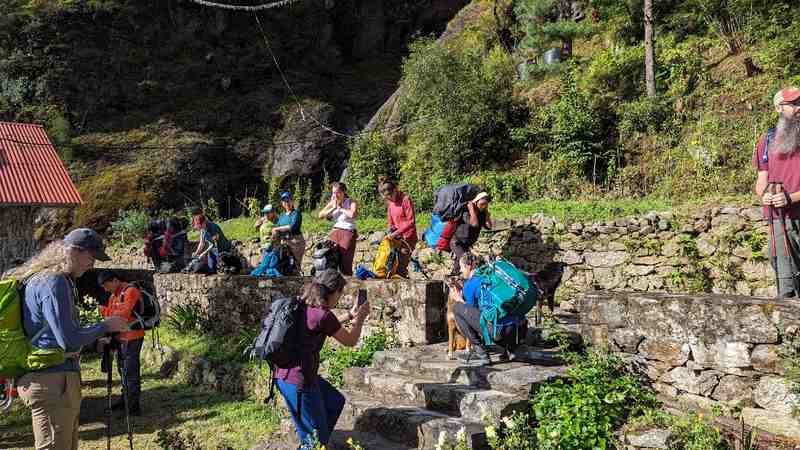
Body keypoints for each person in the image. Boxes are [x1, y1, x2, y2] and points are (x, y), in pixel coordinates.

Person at [6, 228, 128, 450]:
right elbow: (68, 339)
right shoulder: (55, 283)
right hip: (54, 382)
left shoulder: (41, 278)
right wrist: (105, 326)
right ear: (72, 251)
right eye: (91, 257)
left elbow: (55, 333)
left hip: (50, 379)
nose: (92, 264)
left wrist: (93, 342)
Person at [275, 269, 370, 448]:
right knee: (314, 440)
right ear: (333, 292)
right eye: (340, 295)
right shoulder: (322, 314)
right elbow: (350, 341)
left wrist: (350, 315)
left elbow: (322, 326)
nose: (339, 300)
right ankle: (316, 443)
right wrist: (361, 319)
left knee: (335, 402)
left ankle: (320, 439)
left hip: (286, 374)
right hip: (299, 381)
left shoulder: (304, 303)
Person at [753, 87, 800, 300]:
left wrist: (791, 197)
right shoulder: (767, 141)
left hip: (793, 211)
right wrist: (764, 196)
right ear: (778, 108)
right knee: (786, 278)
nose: (799, 107)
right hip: (780, 219)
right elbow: (762, 180)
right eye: (794, 104)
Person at [448, 252, 522, 366]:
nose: (461, 271)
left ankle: (481, 354)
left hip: (498, 332)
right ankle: (511, 350)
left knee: (457, 308)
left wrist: (458, 299)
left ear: (469, 266)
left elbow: (470, 312)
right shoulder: (493, 276)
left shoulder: (471, 283)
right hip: (517, 331)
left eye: (462, 267)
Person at [96, 270, 145, 416]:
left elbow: (122, 314)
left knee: (130, 371)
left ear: (115, 280)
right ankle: (125, 400)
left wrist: (103, 311)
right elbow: (113, 314)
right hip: (121, 338)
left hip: (132, 337)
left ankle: (133, 406)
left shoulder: (130, 291)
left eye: (106, 285)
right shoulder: (114, 295)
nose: (105, 289)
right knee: (122, 369)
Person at [318, 182, 358, 276]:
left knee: (345, 264)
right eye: (333, 193)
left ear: (343, 192)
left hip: (348, 231)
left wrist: (340, 208)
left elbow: (352, 214)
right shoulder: (332, 202)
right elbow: (320, 215)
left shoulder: (351, 201)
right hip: (335, 231)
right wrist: (333, 208)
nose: (335, 195)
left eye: (337, 192)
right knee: (329, 259)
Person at [379, 179, 417, 278]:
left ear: (395, 190)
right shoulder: (390, 203)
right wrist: (390, 232)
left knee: (401, 265)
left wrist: (396, 233)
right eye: (387, 198)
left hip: (408, 238)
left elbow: (411, 221)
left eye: (391, 196)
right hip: (396, 239)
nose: (390, 199)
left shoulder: (405, 199)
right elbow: (391, 223)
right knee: (391, 266)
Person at [450, 192, 492, 275]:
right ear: (475, 203)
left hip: (467, 245)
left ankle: (453, 281)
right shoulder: (466, 212)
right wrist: (472, 209)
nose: (483, 206)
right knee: (467, 262)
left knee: (458, 266)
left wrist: (487, 214)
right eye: (482, 204)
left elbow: (489, 226)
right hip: (457, 243)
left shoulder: (482, 214)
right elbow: (474, 223)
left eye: (486, 204)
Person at [272, 191, 306, 272]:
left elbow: (292, 227)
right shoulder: (282, 216)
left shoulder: (296, 213)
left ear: (292, 201)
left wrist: (277, 229)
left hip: (295, 242)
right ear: (282, 203)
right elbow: (276, 228)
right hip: (284, 242)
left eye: (288, 200)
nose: (286, 203)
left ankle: (296, 282)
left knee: (294, 265)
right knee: (283, 264)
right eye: (284, 201)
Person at [191, 208, 231, 273]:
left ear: (204, 223)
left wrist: (203, 253)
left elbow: (214, 245)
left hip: (222, 250)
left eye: (200, 227)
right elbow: (202, 243)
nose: (200, 229)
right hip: (212, 251)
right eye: (199, 228)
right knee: (211, 269)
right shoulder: (203, 229)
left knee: (220, 269)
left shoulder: (213, 228)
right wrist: (196, 253)